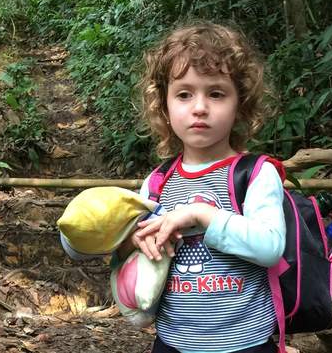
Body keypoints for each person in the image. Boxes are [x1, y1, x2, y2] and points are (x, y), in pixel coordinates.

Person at [116, 22, 286, 353]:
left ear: (241, 103)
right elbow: (131, 250)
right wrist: (135, 241)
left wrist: (202, 214)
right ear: (164, 106)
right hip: (172, 342)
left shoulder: (254, 174)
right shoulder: (157, 182)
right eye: (184, 94)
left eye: (216, 93)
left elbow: (270, 247)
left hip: (246, 343)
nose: (199, 107)